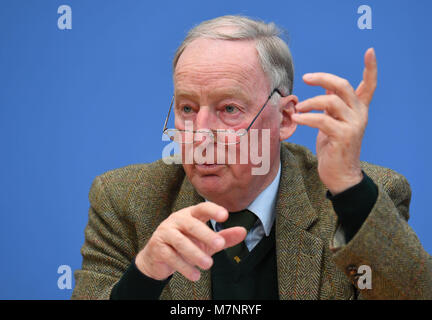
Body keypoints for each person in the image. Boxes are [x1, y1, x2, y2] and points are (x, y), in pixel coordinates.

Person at [72, 15, 432, 300]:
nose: (200, 134)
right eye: (187, 108)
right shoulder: (125, 199)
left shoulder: (359, 199)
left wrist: (350, 191)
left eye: (229, 108)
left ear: (286, 118)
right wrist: (145, 276)